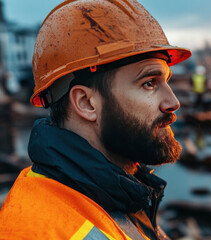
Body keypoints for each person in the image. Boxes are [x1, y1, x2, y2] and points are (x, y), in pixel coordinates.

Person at [0, 0, 191, 239]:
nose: (173, 102)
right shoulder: (40, 229)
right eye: (149, 83)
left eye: (167, 80)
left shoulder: (117, 194)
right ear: (86, 103)